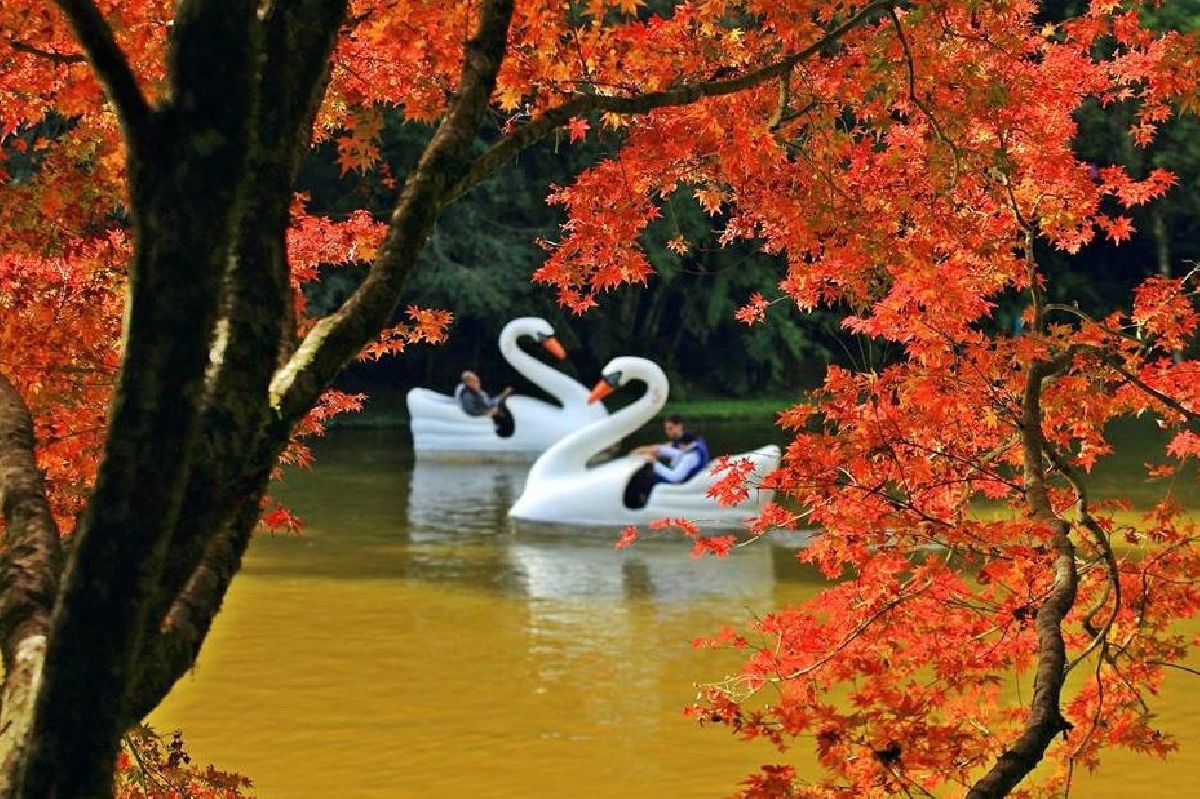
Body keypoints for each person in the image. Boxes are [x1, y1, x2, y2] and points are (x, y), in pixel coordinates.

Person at [624, 415, 710, 508]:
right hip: (686, 478)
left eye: (670, 429)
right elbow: (670, 450)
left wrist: (654, 462)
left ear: (679, 426)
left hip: (682, 483)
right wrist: (642, 451)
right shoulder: (692, 443)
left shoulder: (691, 455)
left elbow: (674, 477)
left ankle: (633, 507)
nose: (667, 432)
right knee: (647, 476)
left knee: (642, 480)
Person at [454, 370, 514, 435]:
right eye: (475, 380)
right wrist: (488, 412)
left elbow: (488, 402)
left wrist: (503, 395)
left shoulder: (477, 392)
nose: (478, 381)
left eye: (477, 379)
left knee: (504, 405)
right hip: (484, 415)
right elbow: (470, 411)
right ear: (468, 383)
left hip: (489, 409)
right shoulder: (467, 395)